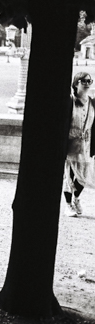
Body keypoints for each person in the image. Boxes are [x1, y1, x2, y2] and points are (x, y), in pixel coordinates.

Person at [63, 72, 95, 217]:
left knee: (84, 175)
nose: (87, 83)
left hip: (86, 144)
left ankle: (76, 198)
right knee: (69, 175)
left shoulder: (92, 102)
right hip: (71, 143)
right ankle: (68, 204)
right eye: (84, 81)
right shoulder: (70, 101)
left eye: (89, 81)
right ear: (76, 83)